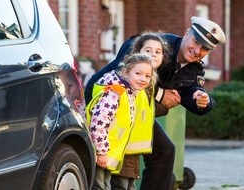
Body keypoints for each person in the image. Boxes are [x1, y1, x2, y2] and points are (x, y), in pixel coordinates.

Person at [85, 16, 226, 190]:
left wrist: (203, 100)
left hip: (136, 111)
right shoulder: (154, 46)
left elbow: (192, 91)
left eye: (204, 48)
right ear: (187, 33)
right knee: (109, 163)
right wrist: (160, 95)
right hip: (107, 105)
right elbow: (124, 76)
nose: (197, 50)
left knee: (165, 151)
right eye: (196, 42)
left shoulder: (194, 67)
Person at [110, 31, 172, 190]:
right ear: (137, 53)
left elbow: (146, 109)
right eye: (148, 50)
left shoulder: (148, 80)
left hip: (133, 151)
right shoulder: (131, 81)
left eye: (158, 52)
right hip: (122, 148)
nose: (153, 55)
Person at [87, 53, 157, 190]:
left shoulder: (130, 92)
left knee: (105, 186)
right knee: (99, 187)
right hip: (101, 152)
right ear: (126, 72)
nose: (143, 79)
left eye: (147, 76)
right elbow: (98, 123)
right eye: (138, 73)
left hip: (108, 154)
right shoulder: (114, 93)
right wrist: (101, 152)